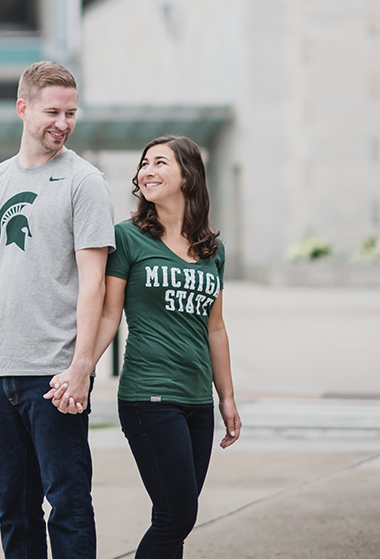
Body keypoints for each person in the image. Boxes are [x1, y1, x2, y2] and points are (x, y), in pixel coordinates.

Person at [48, 134, 241, 558]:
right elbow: (107, 314)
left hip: (196, 400)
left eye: (159, 163)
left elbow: (216, 328)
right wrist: (81, 367)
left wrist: (226, 397)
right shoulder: (129, 238)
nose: (147, 171)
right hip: (149, 396)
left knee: (176, 520)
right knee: (177, 515)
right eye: (144, 164)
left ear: (188, 176)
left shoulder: (212, 249)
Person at [0, 60, 115, 559]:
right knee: (15, 506)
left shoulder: (85, 181)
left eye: (71, 113)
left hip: (55, 376)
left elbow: (94, 282)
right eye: (53, 111)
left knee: (68, 504)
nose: (63, 122)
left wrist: (82, 367)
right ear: (23, 108)